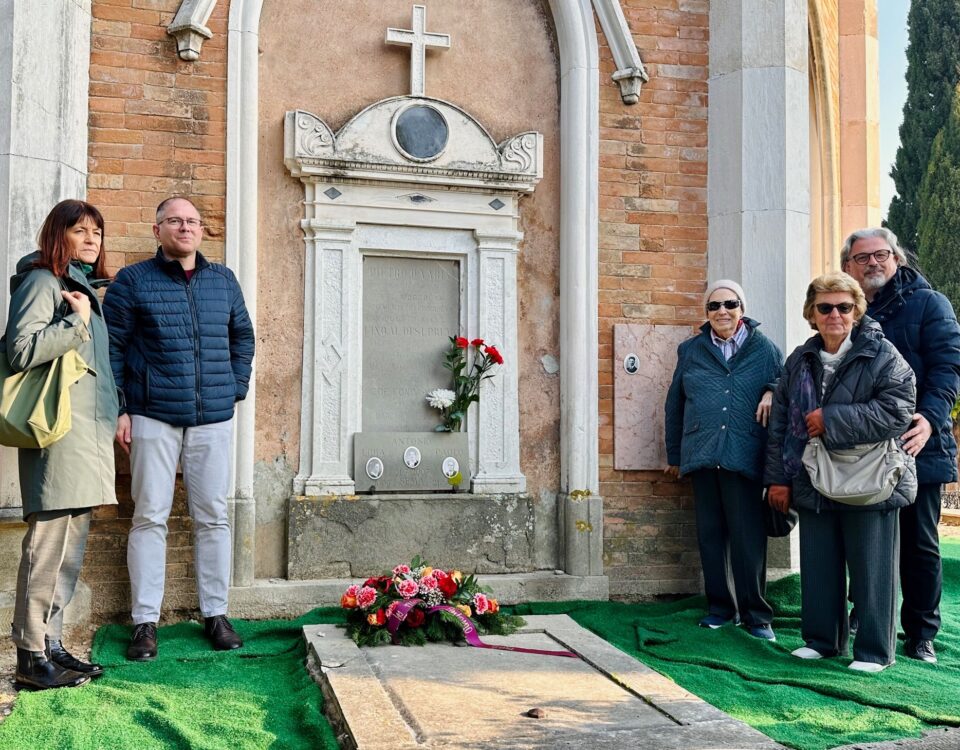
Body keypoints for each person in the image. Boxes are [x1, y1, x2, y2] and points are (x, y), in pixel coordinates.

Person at [102, 197, 255, 661]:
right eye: (174, 221)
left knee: (213, 515)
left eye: (191, 221)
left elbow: (242, 336)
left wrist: (234, 386)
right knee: (149, 515)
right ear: (157, 229)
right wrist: (121, 409)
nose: (184, 228)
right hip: (151, 414)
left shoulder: (223, 279)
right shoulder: (132, 281)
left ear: (201, 231)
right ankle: (145, 622)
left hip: (212, 415)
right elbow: (112, 348)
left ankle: (216, 614)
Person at [766, 272, 916, 672]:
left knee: (873, 570)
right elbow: (781, 422)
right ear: (811, 314)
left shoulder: (882, 355)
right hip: (813, 477)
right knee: (819, 565)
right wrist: (777, 478)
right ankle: (821, 640)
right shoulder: (800, 359)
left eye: (844, 307)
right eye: (825, 307)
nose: (835, 314)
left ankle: (873, 651)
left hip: (871, 479)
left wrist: (832, 418)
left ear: (856, 311)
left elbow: (899, 409)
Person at [6, 199, 118, 689]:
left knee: (69, 551)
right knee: (47, 548)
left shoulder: (81, 288)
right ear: (58, 234)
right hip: (56, 434)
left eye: (97, 231)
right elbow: (20, 350)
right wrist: (74, 323)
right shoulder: (42, 283)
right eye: (80, 230)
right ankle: (30, 656)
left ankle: (50, 644)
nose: (92, 239)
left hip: (86, 436)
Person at [839, 228, 960, 664]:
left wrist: (930, 419)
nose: (873, 263)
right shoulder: (845, 309)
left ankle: (921, 632)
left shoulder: (931, 304)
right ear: (847, 266)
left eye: (881, 255)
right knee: (864, 539)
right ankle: (866, 615)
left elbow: (948, 368)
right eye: (862, 257)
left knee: (920, 543)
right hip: (862, 448)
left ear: (898, 259)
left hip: (918, 443)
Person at [665, 280, 783, 640]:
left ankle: (757, 616)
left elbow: (788, 383)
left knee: (748, 537)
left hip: (745, 453)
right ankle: (720, 609)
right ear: (706, 313)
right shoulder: (692, 350)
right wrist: (674, 453)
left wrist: (771, 390)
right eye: (714, 306)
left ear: (742, 308)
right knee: (711, 536)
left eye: (730, 304)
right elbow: (674, 404)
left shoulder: (765, 349)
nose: (722, 312)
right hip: (701, 452)